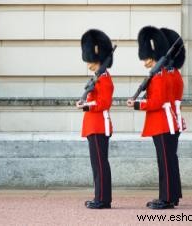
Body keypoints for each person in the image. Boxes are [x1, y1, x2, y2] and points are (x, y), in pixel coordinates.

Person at [127, 26, 185, 209]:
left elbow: (156, 102)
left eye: (148, 59)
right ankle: (173, 195)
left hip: (162, 122)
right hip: (172, 122)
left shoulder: (160, 76)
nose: (146, 63)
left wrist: (137, 104)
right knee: (171, 159)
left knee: (165, 161)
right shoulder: (174, 73)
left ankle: (166, 198)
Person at [76, 29, 114, 209]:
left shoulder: (104, 79)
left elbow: (104, 103)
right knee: (96, 165)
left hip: (99, 125)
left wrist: (85, 105)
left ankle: (103, 199)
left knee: (100, 164)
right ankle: (99, 196)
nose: (88, 64)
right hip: (93, 125)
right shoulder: (97, 78)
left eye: (90, 60)